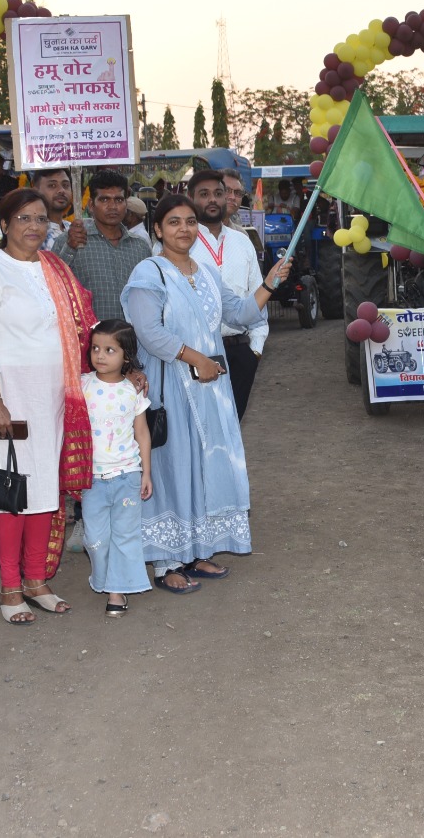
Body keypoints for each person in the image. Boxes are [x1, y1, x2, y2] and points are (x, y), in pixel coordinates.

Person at [123, 194, 292, 594]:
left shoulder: (206, 272)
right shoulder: (150, 274)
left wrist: (269, 283)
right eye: (174, 222)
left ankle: (198, 550)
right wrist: (195, 357)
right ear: (158, 229)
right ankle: (167, 562)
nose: (184, 228)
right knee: (173, 467)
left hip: (210, 389)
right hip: (171, 385)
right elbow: (149, 333)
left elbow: (238, 313)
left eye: (190, 221)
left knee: (205, 465)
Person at [0, 188, 98, 625]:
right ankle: (9, 589)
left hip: (54, 396)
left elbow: (84, 325)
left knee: (44, 489)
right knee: (11, 493)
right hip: (10, 397)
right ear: (4, 224)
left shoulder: (54, 268)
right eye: (23, 218)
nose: (34, 226)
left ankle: (37, 581)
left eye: (41, 218)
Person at [80, 319, 153, 616]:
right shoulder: (82, 385)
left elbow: (142, 433)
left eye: (110, 350)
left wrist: (146, 472)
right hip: (92, 479)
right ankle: (103, 578)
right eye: (96, 348)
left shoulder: (132, 391)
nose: (100, 355)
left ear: (127, 356)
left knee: (125, 535)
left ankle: (116, 592)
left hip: (127, 475)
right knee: (96, 538)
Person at [188, 170, 268, 420]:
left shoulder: (242, 241)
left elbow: (258, 296)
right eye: (204, 194)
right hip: (196, 354)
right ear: (191, 199)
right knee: (201, 430)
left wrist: (255, 350)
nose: (212, 200)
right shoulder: (179, 242)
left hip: (240, 352)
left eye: (218, 194)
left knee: (233, 427)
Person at [57, 169, 150, 325]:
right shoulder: (71, 241)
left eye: (119, 200)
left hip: (133, 341)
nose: (113, 206)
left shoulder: (140, 247)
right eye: (105, 200)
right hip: (88, 342)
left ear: (127, 204)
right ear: (91, 205)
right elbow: (53, 286)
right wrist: (69, 248)